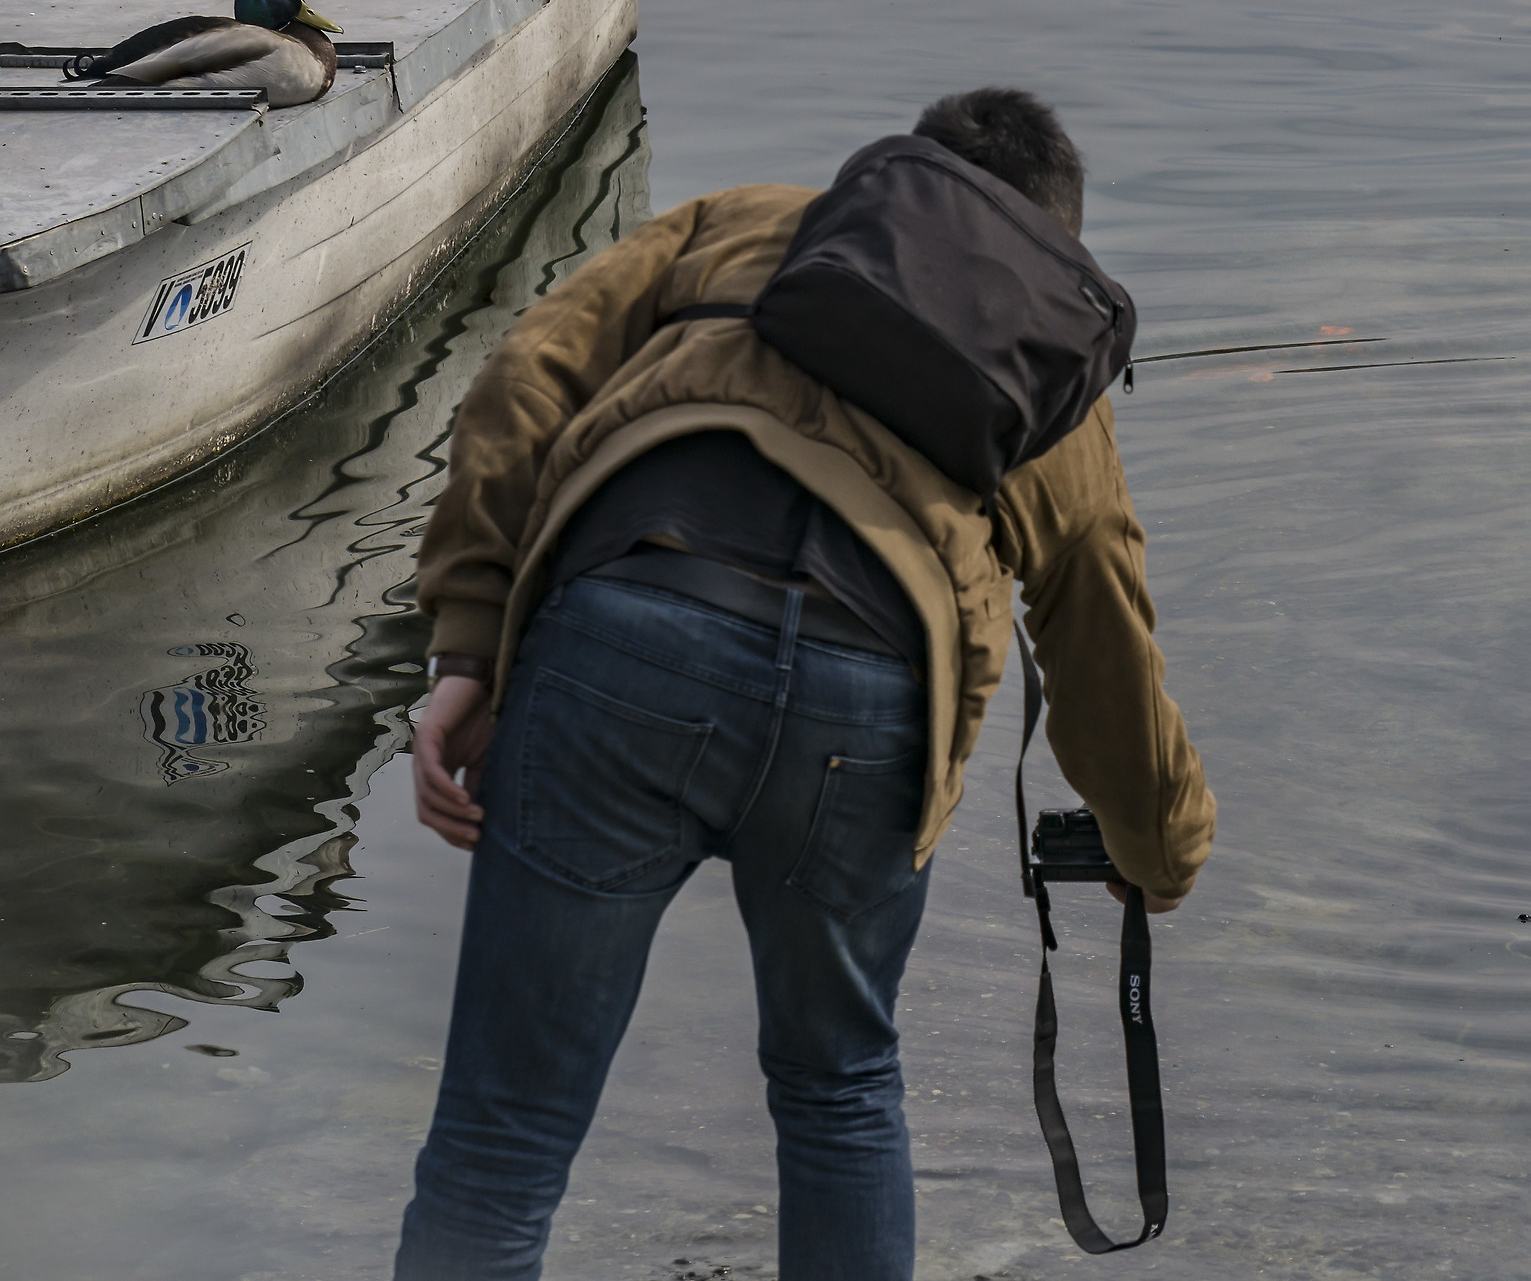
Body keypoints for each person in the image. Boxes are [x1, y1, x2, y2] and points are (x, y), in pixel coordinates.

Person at [394, 88, 1216, 1281]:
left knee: (502, 1134)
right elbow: (1102, 649)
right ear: (1054, 247)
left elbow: (526, 377)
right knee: (838, 1088)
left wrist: (469, 646)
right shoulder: (1049, 370)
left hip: (625, 632)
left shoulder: (742, 221)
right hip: (871, 700)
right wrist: (1160, 849)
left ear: (895, 179)